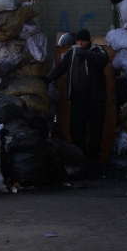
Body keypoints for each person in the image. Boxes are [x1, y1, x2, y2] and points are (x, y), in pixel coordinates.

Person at [41, 28, 109, 165]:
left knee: (96, 128)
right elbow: (61, 67)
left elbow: (103, 61)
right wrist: (48, 79)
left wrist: (86, 54)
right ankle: (80, 156)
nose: (80, 44)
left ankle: (94, 157)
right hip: (78, 97)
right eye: (78, 41)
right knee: (77, 127)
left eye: (82, 41)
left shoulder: (97, 50)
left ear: (88, 40)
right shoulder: (72, 52)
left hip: (95, 98)